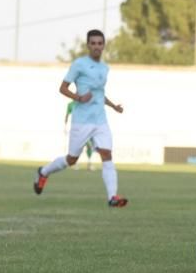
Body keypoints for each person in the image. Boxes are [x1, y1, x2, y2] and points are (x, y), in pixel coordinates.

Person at [33, 29, 128, 207]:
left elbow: (99, 94)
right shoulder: (79, 64)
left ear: (104, 45)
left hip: (100, 120)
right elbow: (63, 88)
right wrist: (78, 98)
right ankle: (43, 172)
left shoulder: (105, 68)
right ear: (88, 45)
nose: (97, 47)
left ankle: (112, 197)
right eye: (93, 43)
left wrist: (113, 105)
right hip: (82, 120)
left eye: (100, 43)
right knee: (72, 159)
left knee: (107, 154)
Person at [65, 100, 96, 170]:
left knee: (89, 146)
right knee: (77, 147)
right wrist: (65, 127)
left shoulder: (85, 103)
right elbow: (67, 115)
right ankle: (75, 164)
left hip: (86, 129)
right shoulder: (70, 104)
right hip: (76, 130)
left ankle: (89, 164)